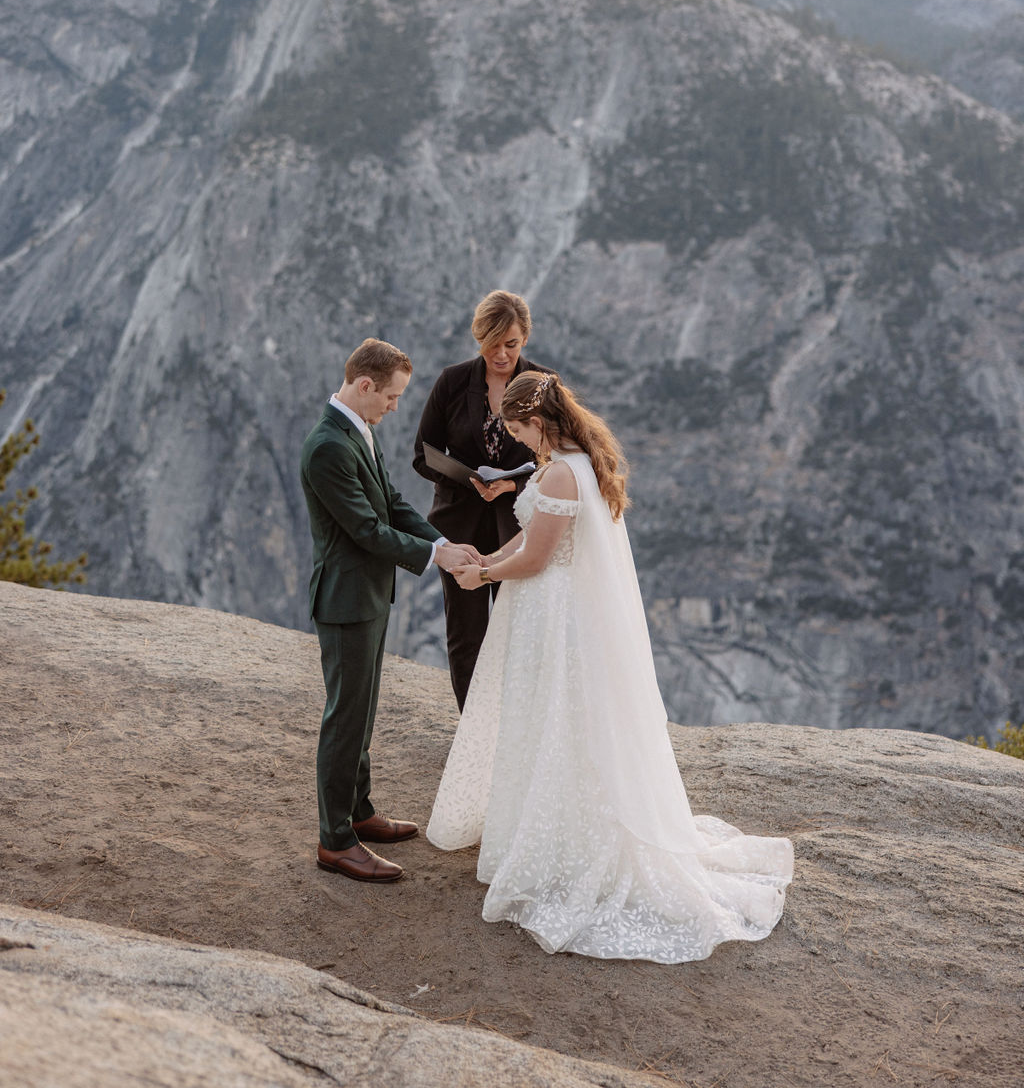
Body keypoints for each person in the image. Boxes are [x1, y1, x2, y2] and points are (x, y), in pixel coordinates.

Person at [426, 371, 794, 961]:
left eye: (519, 430)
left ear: (537, 423)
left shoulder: (565, 472)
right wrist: (488, 555)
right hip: (548, 607)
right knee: (553, 722)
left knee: (559, 722)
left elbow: (542, 555)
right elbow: (528, 539)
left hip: (556, 614)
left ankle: (572, 841)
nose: (517, 441)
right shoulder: (572, 463)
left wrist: (483, 576)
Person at [299, 338, 478, 884]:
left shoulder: (359, 431)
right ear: (364, 386)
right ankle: (335, 841)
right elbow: (366, 529)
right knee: (345, 716)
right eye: (393, 397)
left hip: (370, 596)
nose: (396, 407)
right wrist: (435, 556)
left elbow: (394, 504)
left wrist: (442, 543)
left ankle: (359, 812)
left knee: (364, 709)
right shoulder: (329, 445)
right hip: (347, 600)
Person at [413, 291, 551, 710]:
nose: (502, 353)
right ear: (479, 338)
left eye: (511, 344)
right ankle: (472, 729)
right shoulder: (453, 381)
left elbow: (556, 456)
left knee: (517, 631)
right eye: (493, 343)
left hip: (521, 527)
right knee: (466, 632)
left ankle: (513, 728)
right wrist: (464, 478)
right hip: (458, 524)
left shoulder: (543, 384)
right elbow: (422, 454)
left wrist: (514, 486)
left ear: (524, 338)